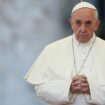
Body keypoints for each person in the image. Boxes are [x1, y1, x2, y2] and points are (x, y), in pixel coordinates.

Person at [25, 2, 105, 105]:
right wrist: (68, 87)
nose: (83, 29)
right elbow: (40, 89)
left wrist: (92, 89)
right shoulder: (52, 49)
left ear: (96, 24)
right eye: (78, 23)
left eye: (88, 23)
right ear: (71, 23)